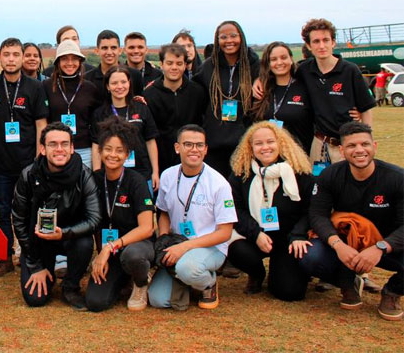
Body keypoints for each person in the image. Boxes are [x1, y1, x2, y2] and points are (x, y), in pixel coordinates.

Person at [299, 122, 403, 321]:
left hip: (387, 243)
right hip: (347, 245)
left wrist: (381, 247)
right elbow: (317, 214)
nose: (359, 150)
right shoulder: (330, 175)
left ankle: (392, 291)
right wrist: (337, 245)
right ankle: (347, 282)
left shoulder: (397, 178)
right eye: (351, 146)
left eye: (365, 144)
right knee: (309, 255)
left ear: (375, 146)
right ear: (342, 150)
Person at [11, 122, 100, 310]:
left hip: (70, 238)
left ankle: (70, 286)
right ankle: (46, 272)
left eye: (64, 144)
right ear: (42, 149)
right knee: (35, 299)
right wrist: (35, 266)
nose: (59, 149)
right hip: (38, 241)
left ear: (72, 148)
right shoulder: (28, 176)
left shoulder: (85, 176)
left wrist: (64, 233)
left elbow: (94, 220)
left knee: (84, 242)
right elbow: (19, 220)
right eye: (53, 144)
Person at [148, 125, 237, 310]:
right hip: (177, 244)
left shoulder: (219, 184)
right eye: (188, 144)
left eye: (199, 145)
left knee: (187, 269)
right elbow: (163, 212)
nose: (194, 149)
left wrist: (184, 247)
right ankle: (188, 281)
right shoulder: (168, 176)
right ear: (177, 147)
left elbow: (225, 233)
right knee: (158, 300)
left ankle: (208, 284)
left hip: (210, 246)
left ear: (205, 149)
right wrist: (164, 240)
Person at [226, 121, 314, 301]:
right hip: (256, 236)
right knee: (235, 249)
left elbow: (310, 210)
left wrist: (298, 235)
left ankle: (289, 270)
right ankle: (257, 273)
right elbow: (236, 210)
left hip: (288, 238)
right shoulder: (241, 173)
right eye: (258, 143)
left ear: (280, 143)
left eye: (270, 142)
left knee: (289, 293)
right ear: (250, 148)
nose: (265, 147)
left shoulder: (298, 173)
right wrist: (255, 233)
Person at [0, 38, 49, 278]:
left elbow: (41, 125)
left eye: (15, 54)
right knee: (3, 212)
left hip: (28, 165)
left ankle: (29, 256)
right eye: (6, 54)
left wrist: (38, 163)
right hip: (1, 165)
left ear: (23, 57)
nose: (11, 59)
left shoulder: (35, 87)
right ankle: (4, 258)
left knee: (29, 212)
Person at [84, 117, 155, 312]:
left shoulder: (136, 182)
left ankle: (140, 282)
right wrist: (101, 255)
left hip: (136, 248)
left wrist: (109, 248)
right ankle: (123, 280)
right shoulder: (94, 180)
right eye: (108, 149)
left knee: (133, 255)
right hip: (111, 252)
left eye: (119, 150)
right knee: (95, 302)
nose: (113, 155)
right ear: (100, 151)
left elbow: (147, 228)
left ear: (127, 154)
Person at [295, 19, 375, 167]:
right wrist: (259, 81)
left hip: (347, 144)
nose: (322, 46)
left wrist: (366, 142)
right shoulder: (304, 70)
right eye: (316, 41)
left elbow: (366, 110)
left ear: (333, 42)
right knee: (319, 187)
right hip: (319, 145)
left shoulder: (350, 70)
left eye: (326, 40)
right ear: (309, 46)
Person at [193, 20, 259, 178]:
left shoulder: (254, 65)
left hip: (244, 142)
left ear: (241, 37)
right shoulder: (209, 66)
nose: (229, 40)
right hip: (215, 141)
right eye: (223, 37)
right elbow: (193, 92)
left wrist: (261, 78)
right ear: (217, 41)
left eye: (233, 36)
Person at [90, 65, 160, 192]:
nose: (120, 87)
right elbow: (96, 146)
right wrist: (97, 173)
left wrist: (155, 172)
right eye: (114, 83)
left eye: (123, 82)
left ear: (129, 83)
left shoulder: (141, 108)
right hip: (111, 174)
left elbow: (150, 141)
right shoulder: (100, 114)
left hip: (142, 173)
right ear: (107, 86)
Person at [144, 44, 207, 173]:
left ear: (185, 65)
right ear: (161, 64)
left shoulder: (197, 92)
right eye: (169, 63)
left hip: (192, 157)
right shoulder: (149, 94)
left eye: (179, 63)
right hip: (161, 160)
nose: (174, 67)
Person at [43, 40, 100, 168]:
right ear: (58, 62)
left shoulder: (90, 88)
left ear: (80, 62)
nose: (70, 63)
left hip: (84, 150)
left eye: (74, 59)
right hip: (55, 150)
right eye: (64, 59)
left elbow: (97, 121)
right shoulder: (46, 86)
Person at [252, 42, 314, 152]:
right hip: (269, 158)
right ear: (268, 63)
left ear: (291, 59)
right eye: (274, 59)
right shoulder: (261, 90)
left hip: (300, 157)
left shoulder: (306, 87)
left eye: (283, 57)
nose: (279, 62)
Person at [85, 29, 142, 103]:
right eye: (104, 48)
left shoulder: (135, 75)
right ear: (97, 51)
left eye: (113, 48)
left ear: (120, 50)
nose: (109, 52)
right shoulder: (87, 78)